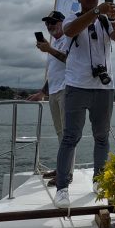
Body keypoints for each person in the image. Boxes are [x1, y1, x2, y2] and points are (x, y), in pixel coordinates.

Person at [51, 0, 115, 203]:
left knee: (102, 137)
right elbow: (70, 31)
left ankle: (99, 180)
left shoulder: (105, 21)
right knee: (70, 137)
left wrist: (113, 19)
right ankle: (62, 188)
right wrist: (96, 11)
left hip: (104, 88)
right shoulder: (71, 18)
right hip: (77, 87)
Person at [26, 11, 70, 177]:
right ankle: (62, 169)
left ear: (63, 22)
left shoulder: (69, 39)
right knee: (60, 133)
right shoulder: (53, 43)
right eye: (47, 23)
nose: (50, 25)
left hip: (66, 90)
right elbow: (53, 73)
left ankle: (66, 173)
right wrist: (42, 92)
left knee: (67, 135)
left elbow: (71, 61)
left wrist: (49, 49)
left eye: (53, 22)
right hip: (54, 92)